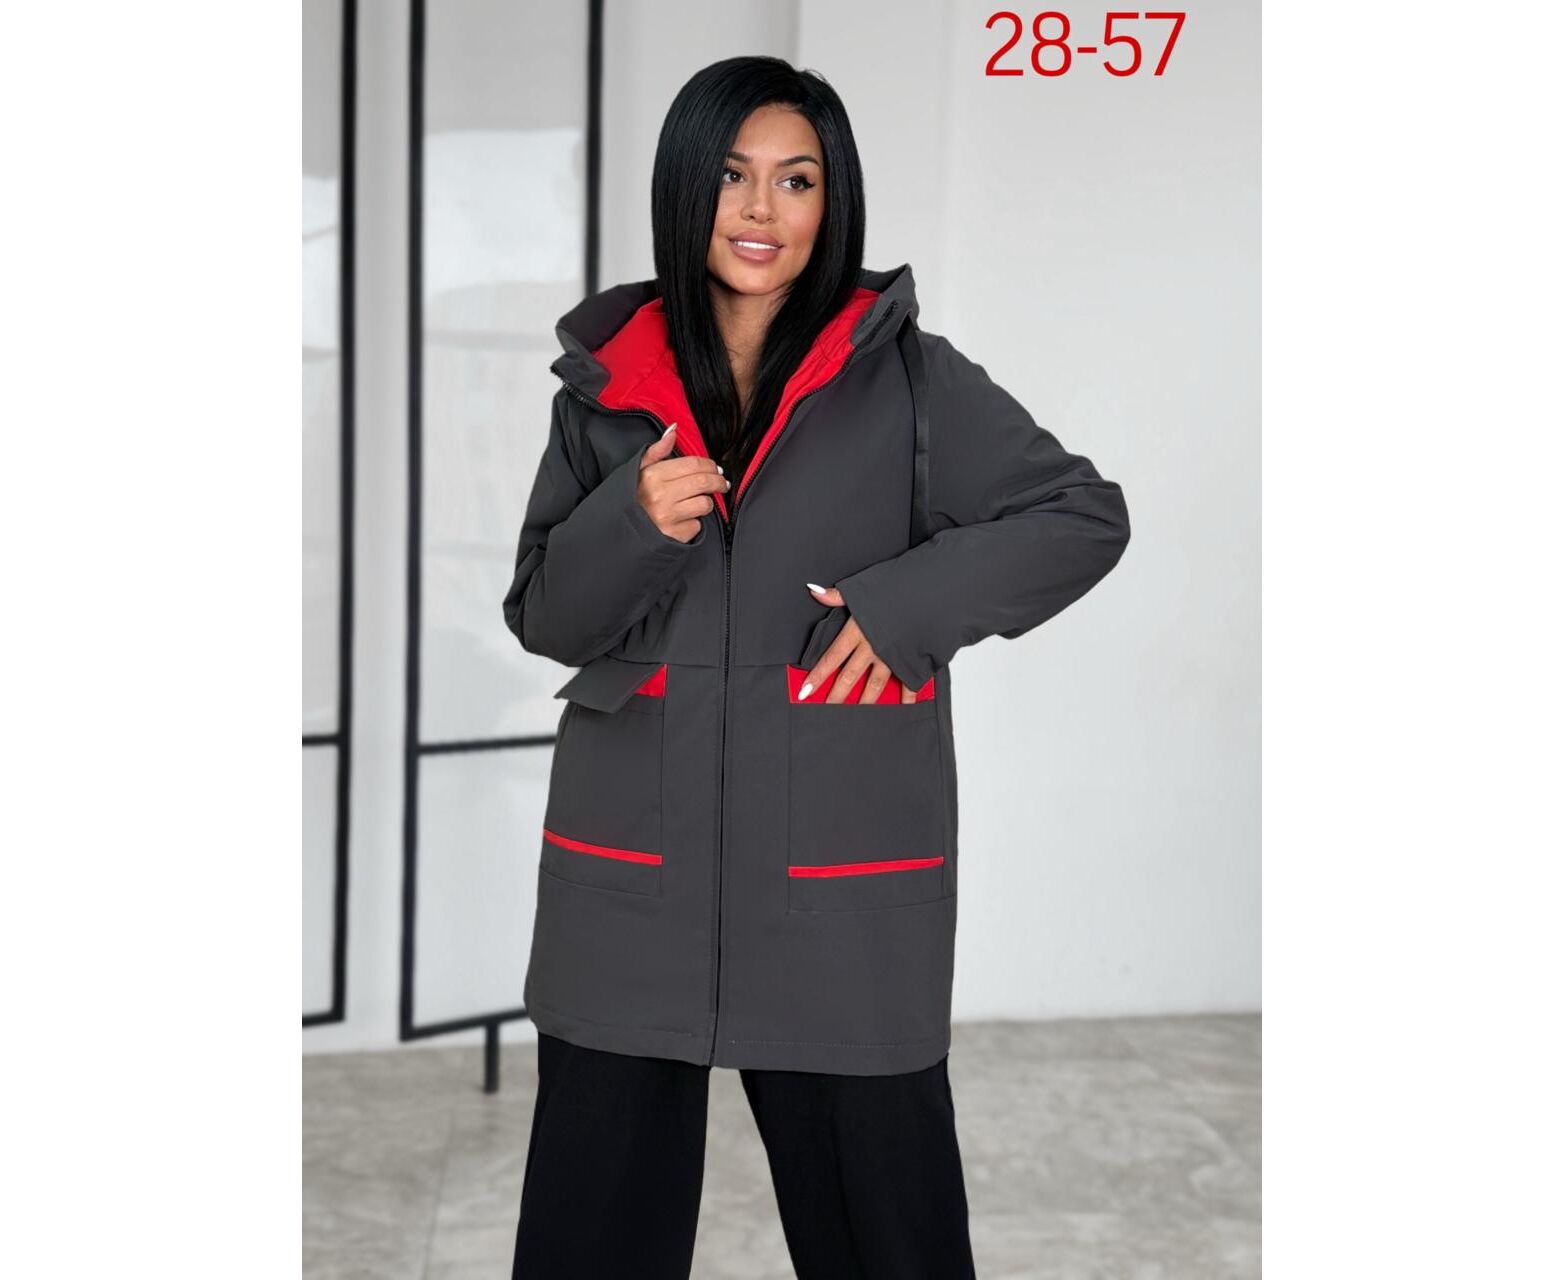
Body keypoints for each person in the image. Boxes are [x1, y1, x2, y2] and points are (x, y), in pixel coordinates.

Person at [502, 55, 1131, 1279]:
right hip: (631, 877)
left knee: (886, 1235)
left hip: (838, 883)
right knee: (591, 1239)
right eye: (731, 176)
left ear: (830, 198)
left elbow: (1078, 514)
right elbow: (545, 614)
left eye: (796, 179)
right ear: (684, 188)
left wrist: (902, 611)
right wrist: (630, 519)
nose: (761, 209)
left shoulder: (907, 378)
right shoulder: (607, 387)